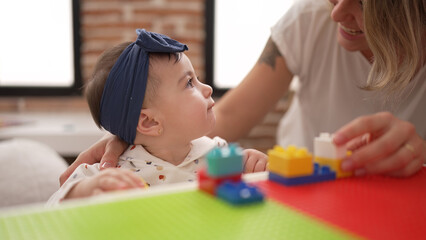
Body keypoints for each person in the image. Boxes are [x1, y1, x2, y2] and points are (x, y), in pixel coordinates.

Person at [60, 0, 425, 185]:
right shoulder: (310, 17)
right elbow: (64, 204)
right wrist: (141, 135)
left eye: (362, 3)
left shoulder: (214, 154)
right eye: (188, 83)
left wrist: (254, 167)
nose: (336, 13)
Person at [49, 29, 267, 205]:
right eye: (189, 83)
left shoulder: (219, 154)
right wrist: (83, 190)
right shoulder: (111, 171)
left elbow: (245, 200)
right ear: (150, 121)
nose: (208, 89)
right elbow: (50, 209)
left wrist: (252, 170)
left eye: (197, 79)